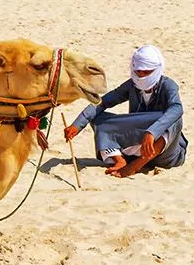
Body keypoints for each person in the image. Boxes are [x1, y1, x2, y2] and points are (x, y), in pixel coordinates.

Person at [66, 44, 187, 177]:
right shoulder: (131, 86)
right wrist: (77, 125)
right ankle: (119, 160)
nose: (141, 76)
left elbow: (177, 109)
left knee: (175, 119)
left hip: (167, 154)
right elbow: (102, 103)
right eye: (138, 71)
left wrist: (152, 132)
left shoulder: (168, 85)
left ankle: (135, 166)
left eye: (147, 72)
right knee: (98, 118)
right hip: (136, 147)